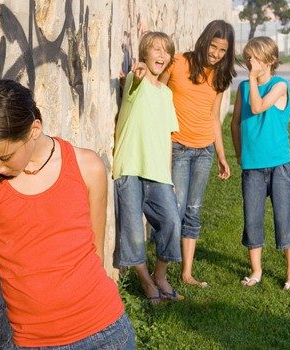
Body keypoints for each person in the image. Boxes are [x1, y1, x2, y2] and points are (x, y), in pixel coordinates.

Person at [0, 79, 135, 349]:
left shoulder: (88, 167)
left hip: (105, 333)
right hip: (30, 342)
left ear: (33, 130)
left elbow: (94, 252)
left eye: (4, 157)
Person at [159, 20, 236, 288]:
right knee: (175, 210)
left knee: (193, 210)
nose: (215, 54)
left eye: (222, 50)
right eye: (213, 46)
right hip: (178, 147)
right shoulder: (178, 62)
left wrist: (222, 156)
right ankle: (162, 271)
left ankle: (187, 273)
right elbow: (156, 93)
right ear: (204, 40)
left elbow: (214, 117)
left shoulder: (220, 77)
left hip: (204, 150)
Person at [113, 31, 183, 303]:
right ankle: (145, 283)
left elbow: (167, 137)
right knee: (132, 228)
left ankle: (160, 276)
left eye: (166, 51)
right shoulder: (135, 80)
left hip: (158, 172)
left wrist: (169, 175)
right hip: (130, 165)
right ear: (144, 54)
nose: (162, 55)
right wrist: (137, 74)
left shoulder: (166, 94)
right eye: (156, 49)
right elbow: (132, 84)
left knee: (171, 222)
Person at [231, 36, 290, 291]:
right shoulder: (243, 89)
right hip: (252, 167)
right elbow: (235, 122)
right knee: (252, 219)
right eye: (248, 57)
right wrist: (239, 154)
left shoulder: (279, 85)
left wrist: (251, 78)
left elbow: (258, 108)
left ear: (269, 60)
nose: (250, 62)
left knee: (286, 218)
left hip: (279, 164)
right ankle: (256, 270)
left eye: (254, 57)